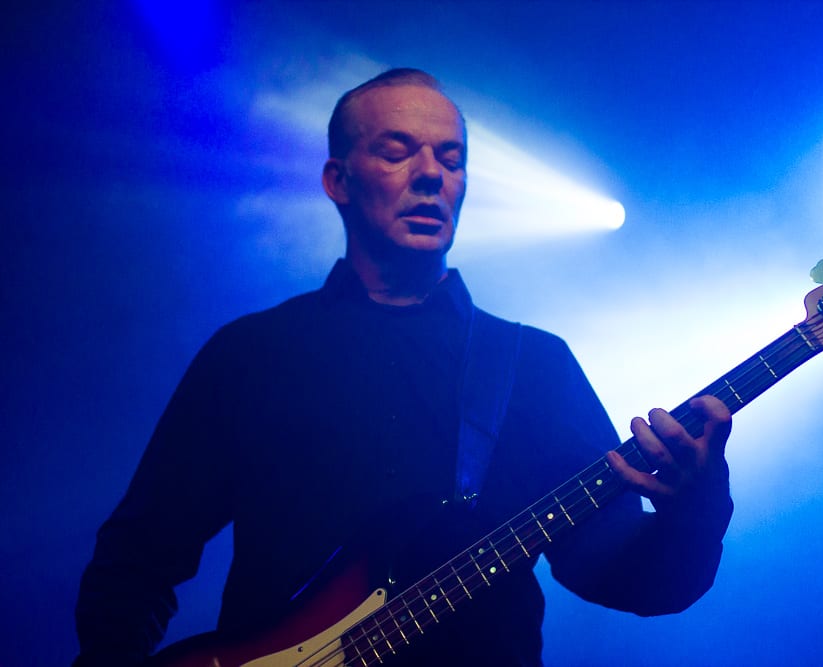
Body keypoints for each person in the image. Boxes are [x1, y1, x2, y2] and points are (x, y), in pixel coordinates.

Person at [74, 68, 734, 666]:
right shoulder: (252, 353)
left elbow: (623, 577)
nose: (430, 174)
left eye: (451, 158)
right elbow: (137, 558)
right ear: (338, 181)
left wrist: (696, 508)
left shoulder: (534, 365)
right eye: (397, 151)